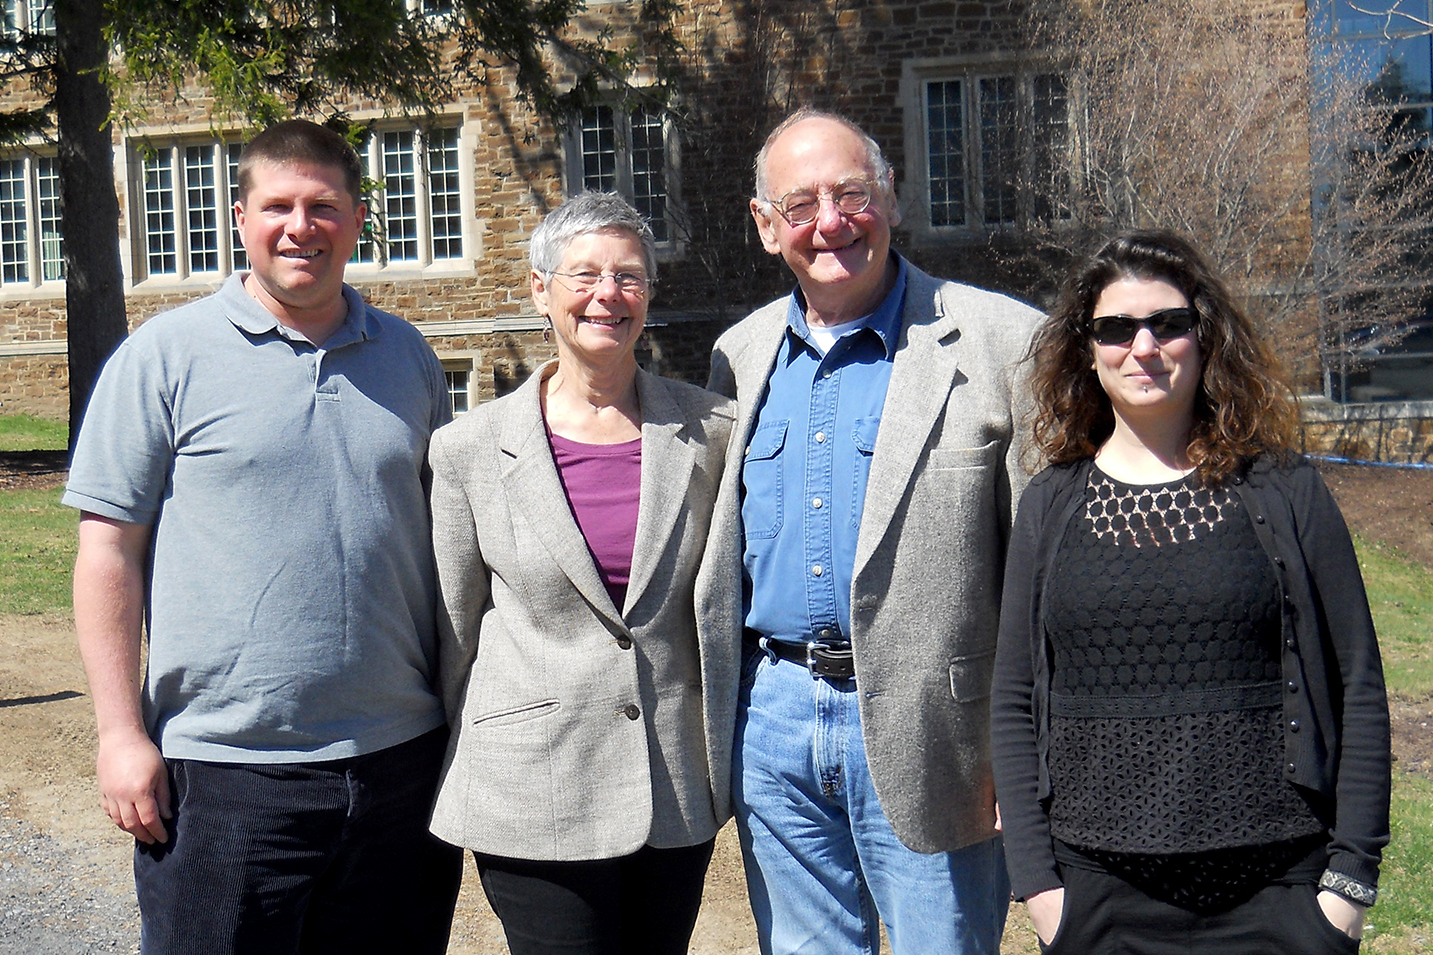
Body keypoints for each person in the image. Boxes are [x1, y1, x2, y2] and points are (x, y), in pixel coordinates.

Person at [64, 120, 462, 955]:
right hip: (223, 776)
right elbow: (108, 551)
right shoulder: (164, 357)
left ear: (357, 219)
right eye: (277, 204)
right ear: (240, 218)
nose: (300, 225)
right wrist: (118, 733)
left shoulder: (408, 356)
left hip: (401, 765)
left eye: (323, 205)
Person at [991, 229, 1391, 953]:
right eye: (1115, 328)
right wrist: (1041, 889)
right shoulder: (1049, 504)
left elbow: (1356, 682)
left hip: (1277, 893)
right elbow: (1015, 698)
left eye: (1167, 323)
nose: (1142, 346)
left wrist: (1348, 886)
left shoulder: (1282, 489)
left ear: (1203, 338)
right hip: (1097, 901)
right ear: (1087, 348)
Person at [703, 108, 1042, 954]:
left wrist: (1024, 738)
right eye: (800, 203)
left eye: (851, 193)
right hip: (772, 719)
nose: (829, 223)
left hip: (941, 726)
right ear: (763, 224)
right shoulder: (737, 356)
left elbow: (1045, 570)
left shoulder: (1004, 342)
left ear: (890, 197)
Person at [426, 191, 736, 955]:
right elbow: (453, 630)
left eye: (629, 277)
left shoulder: (711, 433)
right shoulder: (468, 448)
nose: (608, 295)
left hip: (671, 782)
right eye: (585, 275)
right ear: (540, 290)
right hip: (533, 785)